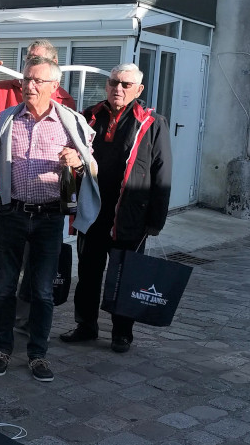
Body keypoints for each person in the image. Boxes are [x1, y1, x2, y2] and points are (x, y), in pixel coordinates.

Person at [0, 55, 100, 382]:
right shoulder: (6, 119)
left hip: (49, 218)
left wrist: (77, 161)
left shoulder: (70, 122)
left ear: (54, 86)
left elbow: (91, 165)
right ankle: (2, 348)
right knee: (4, 287)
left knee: (42, 291)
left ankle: (38, 354)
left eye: (37, 80)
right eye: (26, 79)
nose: (29, 85)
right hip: (11, 213)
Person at [0, 39, 77, 343]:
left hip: (46, 206)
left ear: (53, 72)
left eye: (38, 63)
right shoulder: (5, 90)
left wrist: (76, 163)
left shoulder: (64, 103)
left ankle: (26, 321)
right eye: (29, 61)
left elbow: (78, 151)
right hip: (4, 197)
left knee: (35, 270)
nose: (31, 76)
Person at [60, 63, 172, 353]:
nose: (118, 88)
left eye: (125, 84)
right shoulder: (89, 116)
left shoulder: (152, 122)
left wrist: (156, 220)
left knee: (125, 275)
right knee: (88, 273)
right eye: (113, 82)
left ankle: (122, 333)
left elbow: (162, 173)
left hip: (130, 214)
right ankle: (86, 325)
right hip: (93, 210)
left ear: (139, 89)